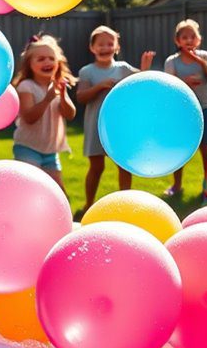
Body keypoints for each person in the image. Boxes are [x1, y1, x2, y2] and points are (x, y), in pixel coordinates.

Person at [75, 26, 152, 216]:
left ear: (117, 47)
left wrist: (144, 69)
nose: (105, 47)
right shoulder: (87, 71)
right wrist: (100, 86)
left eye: (110, 44)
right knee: (96, 166)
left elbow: (142, 82)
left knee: (123, 164)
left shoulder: (123, 68)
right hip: (95, 124)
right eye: (100, 44)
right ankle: (88, 204)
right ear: (92, 48)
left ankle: (124, 204)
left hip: (119, 126)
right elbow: (81, 97)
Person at [157, 19, 207, 200]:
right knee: (180, 147)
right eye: (184, 37)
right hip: (181, 112)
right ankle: (177, 185)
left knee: (206, 150)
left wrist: (198, 60)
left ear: (198, 40)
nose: (189, 40)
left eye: (192, 36)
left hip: (205, 109)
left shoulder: (205, 56)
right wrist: (185, 83)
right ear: (177, 41)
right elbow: (169, 87)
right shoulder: (172, 61)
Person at [12, 34, 77, 195]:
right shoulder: (26, 86)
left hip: (50, 152)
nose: (47, 62)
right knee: (30, 190)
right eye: (40, 59)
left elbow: (70, 114)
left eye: (50, 58)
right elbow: (29, 117)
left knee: (58, 193)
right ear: (29, 64)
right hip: (28, 148)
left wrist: (62, 96)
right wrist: (48, 99)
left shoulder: (57, 86)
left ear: (58, 62)